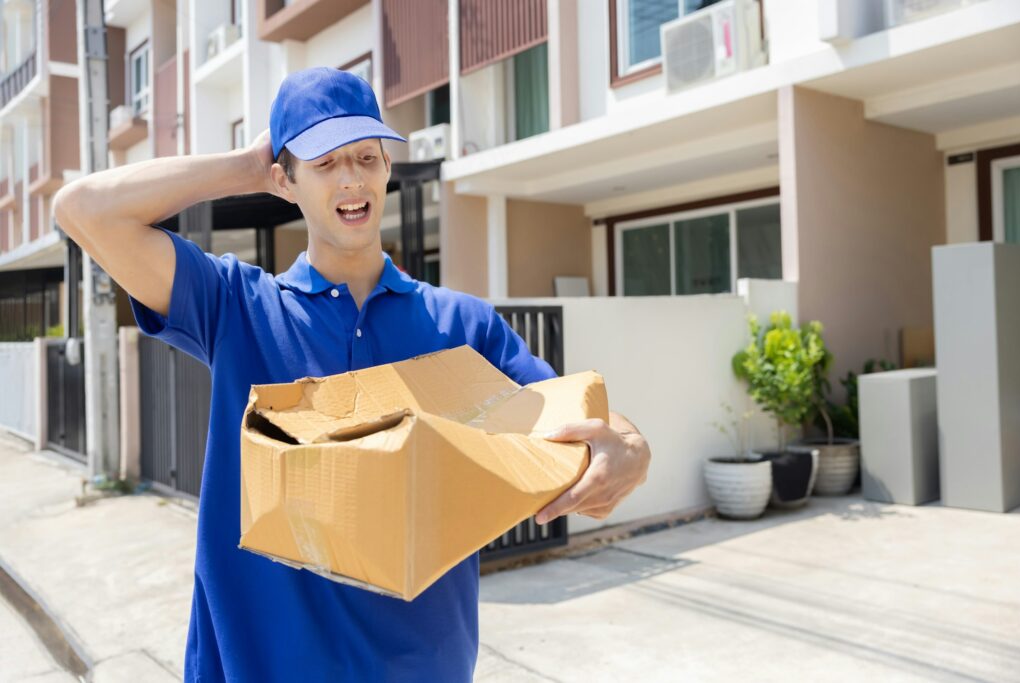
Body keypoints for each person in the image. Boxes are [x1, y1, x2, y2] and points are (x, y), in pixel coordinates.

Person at [53, 67, 651, 682]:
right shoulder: (238, 306)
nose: (352, 178)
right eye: (325, 161)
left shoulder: (461, 326)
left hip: (424, 667)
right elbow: (84, 210)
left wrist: (629, 447)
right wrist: (246, 167)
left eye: (367, 156)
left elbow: (573, 413)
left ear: (388, 167)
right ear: (286, 179)